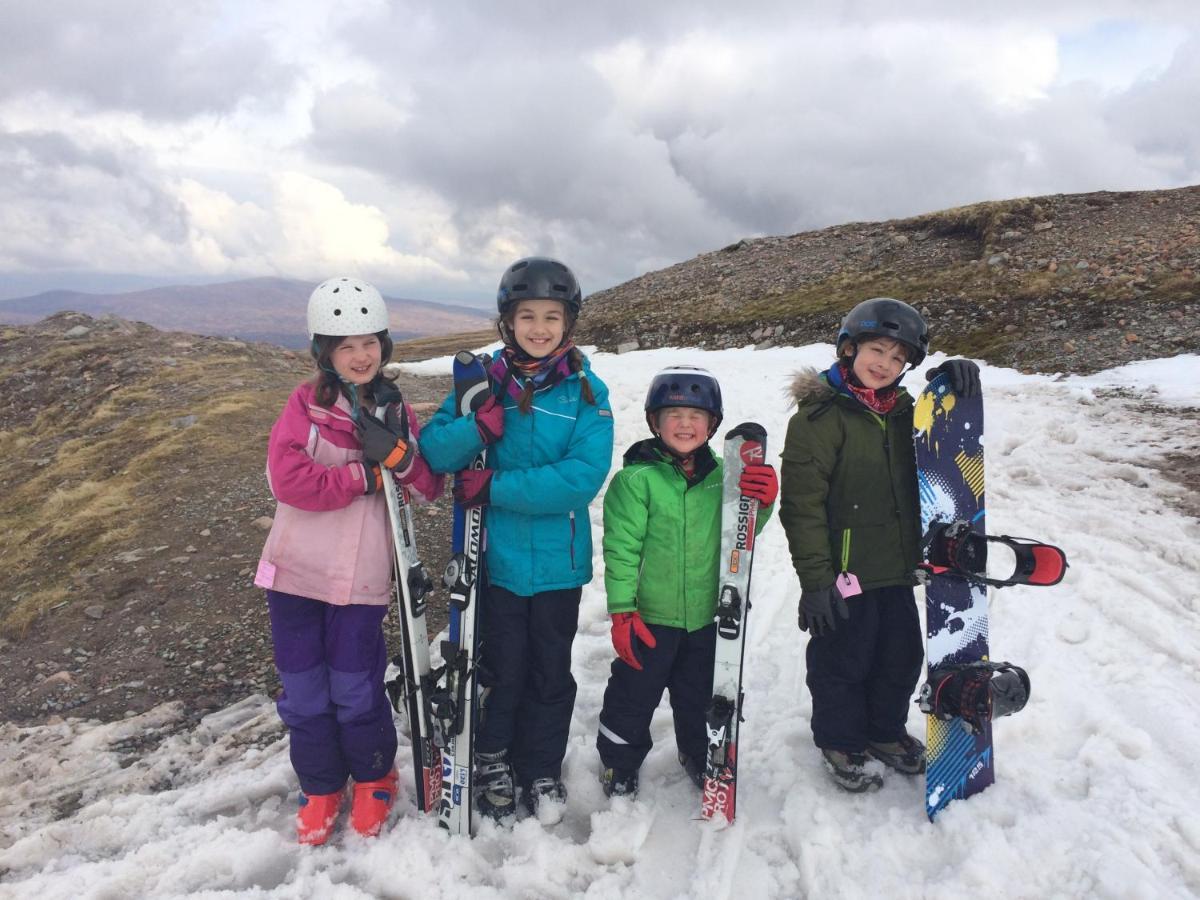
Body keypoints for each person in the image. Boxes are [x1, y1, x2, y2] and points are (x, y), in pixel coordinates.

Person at [419, 256, 614, 823]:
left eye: (551, 316)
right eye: (526, 315)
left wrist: (496, 486)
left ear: (568, 322)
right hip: (495, 563)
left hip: (559, 565)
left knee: (550, 670)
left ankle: (541, 765)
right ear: (507, 321)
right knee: (500, 666)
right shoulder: (479, 383)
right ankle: (493, 757)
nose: (539, 327)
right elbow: (434, 450)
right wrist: (475, 427)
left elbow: (581, 477)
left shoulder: (584, 391)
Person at [256, 276, 444, 844]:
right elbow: (287, 479)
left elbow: (426, 483)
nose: (361, 356)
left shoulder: (394, 408)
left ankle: (372, 776)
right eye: (345, 346)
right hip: (294, 573)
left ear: (383, 346)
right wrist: (365, 476)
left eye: (369, 343)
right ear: (325, 353)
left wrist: (398, 457)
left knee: (355, 685)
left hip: (359, 579)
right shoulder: (306, 404)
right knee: (304, 689)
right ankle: (319, 784)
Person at [778, 297, 980, 792]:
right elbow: (802, 506)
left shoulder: (907, 414)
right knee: (843, 660)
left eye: (897, 358)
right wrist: (815, 582)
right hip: (845, 574)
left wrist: (951, 381)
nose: (884, 364)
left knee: (900, 656)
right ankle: (840, 739)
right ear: (849, 349)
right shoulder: (819, 418)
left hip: (897, 567)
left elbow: (943, 455)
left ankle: (883, 731)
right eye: (876, 350)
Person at [596, 366, 778, 798]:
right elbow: (620, 551)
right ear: (654, 422)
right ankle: (618, 763)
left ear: (712, 424)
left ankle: (699, 753)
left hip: (706, 618)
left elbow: (742, 535)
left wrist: (762, 501)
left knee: (699, 698)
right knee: (632, 698)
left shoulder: (724, 479)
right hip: (649, 619)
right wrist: (623, 612)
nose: (684, 424)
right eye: (673, 413)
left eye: (696, 415)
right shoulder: (635, 481)